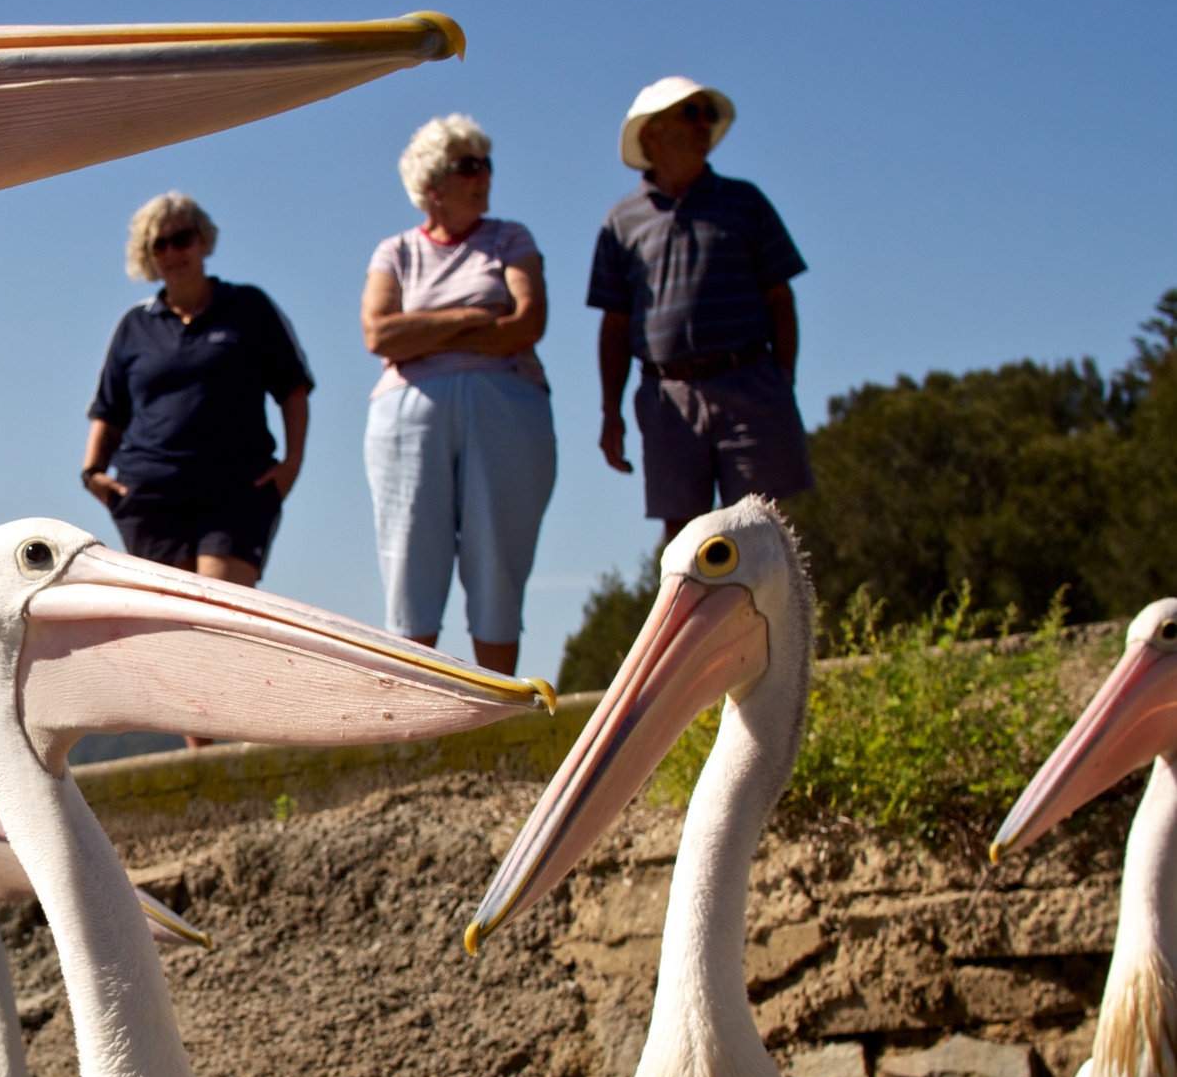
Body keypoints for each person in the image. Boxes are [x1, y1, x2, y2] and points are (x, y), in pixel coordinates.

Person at [359, 116, 555, 677]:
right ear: (432, 184)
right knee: (410, 561)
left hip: (506, 409)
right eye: (468, 166)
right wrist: (472, 316)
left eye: (485, 164)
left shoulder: (512, 238)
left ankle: (497, 706)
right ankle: (419, 717)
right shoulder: (393, 251)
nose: (483, 176)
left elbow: (526, 323)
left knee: (497, 558)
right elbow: (377, 334)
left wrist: (421, 330)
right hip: (405, 417)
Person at [589, 77, 811, 539]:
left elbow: (780, 299)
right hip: (668, 395)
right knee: (684, 538)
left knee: (761, 530)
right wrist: (611, 411)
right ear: (651, 131)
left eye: (707, 115)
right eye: (690, 114)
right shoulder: (621, 222)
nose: (703, 125)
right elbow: (614, 324)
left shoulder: (744, 202)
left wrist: (781, 380)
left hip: (749, 381)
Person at [82, 192, 311, 589]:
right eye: (159, 245)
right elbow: (109, 409)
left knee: (225, 607)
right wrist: (92, 474)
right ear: (148, 256)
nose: (173, 252)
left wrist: (292, 463)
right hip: (151, 493)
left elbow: (293, 388)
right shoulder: (135, 325)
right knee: (174, 617)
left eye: (182, 239)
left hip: (237, 487)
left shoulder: (249, 308)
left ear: (203, 241)